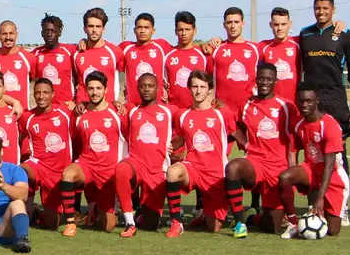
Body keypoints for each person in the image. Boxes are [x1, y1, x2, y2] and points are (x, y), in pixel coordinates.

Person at [298, 0, 350, 225]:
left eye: (325, 8)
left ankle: (341, 206)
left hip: (335, 100)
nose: (321, 12)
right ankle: (314, 203)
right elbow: (299, 70)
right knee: (312, 153)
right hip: (312, 102)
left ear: (333, 9)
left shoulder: (344, 34)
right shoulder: (305, 35)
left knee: (337, 154)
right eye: (317, 8)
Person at [225, 63, 298, 238]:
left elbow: (295, 139)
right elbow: (233, 127)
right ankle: (240, 223)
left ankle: (254, 219)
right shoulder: (247, 105)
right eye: (261, 78)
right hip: (255, 162)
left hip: (278, 167)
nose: (264, 82)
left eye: (268, 79)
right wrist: (246, 144)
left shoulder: (286, 107)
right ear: (256, 80)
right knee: (233, 168)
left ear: (275, 81)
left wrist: (292, 168)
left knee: (272, 226)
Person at [163, 71, 237, 237]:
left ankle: (205, 215)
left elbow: (235, 133)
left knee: (214, 227)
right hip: (193, 167)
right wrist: (169, 147)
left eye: (202, 87)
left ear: (210, 90)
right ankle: (176, 223)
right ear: (189, 88)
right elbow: (179, 141)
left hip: (216, 172)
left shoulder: (222, 112)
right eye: (195, 86)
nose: (198, 91)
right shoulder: (182, 114)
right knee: (173, 172)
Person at [278, 83, 349, 239]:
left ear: (317, 101)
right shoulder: (298, 124)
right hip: (311, 170)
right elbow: (293, 150)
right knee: (285, 177)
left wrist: (320, 198)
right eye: (301, 101)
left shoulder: (329, 125)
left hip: (334, 179)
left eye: (309, 101)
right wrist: (293, 173)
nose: (304, 105)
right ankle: (293, 223)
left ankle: (316, 213)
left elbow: (330, 166)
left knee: (332, 231)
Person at [59, 72, 125, 236]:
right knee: (68, 174)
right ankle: (70, 223)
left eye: (98, 88)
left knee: (108, 226)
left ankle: (95, 210)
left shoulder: (117, 112)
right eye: (91, 89)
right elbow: (74, 139)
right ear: (86, 90)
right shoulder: (80, 114)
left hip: (109, 171)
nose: (95, 92)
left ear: (106, 89)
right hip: (87, 165)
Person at [114, 73, 173, 237]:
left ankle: (141, 216)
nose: (146, 89)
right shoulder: (131, 111)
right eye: (142, 86)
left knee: (150, 224)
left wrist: (176, 146)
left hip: (157, 170)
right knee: (121, 169)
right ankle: (129, 222)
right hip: (136, 164)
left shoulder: (169, 111)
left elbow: (188, 128)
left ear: (158, 89)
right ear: (137, 89)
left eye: (150, 85)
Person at [20, 78, 74, 229]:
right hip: (39, 165)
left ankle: (37, 212)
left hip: (60, 173)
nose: (41, 96)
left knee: (52, 224)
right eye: (37, 92)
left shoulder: (65, 112)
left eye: (45, 92)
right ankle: (21, 211)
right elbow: (16, 136)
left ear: (52, 94)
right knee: (21, 171)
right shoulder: (27, 117)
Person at [210, 7, 260, 111]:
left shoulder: (256, 48)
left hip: (249, 108)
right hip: (222, 109)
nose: (233, 26)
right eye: (229, 22)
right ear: (224, 25)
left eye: (236, 22)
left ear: (243, 23)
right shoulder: (215, 50)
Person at [72, 8, 123, 106]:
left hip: (107, 109)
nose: (94, 30)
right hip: (83, 109)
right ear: (85, 29)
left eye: (98, 26)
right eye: (91, 26)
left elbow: (131, 73)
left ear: (103, 29)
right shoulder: (76, 52)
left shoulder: (115, 51)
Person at [163, 11, 211, 113]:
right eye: (180, 30)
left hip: (197, 111)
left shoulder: (204, 54)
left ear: (195, 31)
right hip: (173, 111)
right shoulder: (167, 55)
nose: (184, 33)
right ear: (175, 31)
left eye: (187, 29)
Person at [118, 13, 169, 107]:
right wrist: (84, 41)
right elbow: (104, 53)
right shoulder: (125, 48)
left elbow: (182, 52)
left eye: (146, 27)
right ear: (134, 30)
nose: (142, 31)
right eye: (139, 27)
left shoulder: (162, 46)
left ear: (153, 31)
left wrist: (203, 46)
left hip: (157, 105)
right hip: (132, 105)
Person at [0, 21, 35, 111]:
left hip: (22, 113)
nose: (8, 37)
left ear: (16, 34)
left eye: (11, 33)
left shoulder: (29, 58)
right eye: (4, 34)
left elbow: (35, 80)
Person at [32, 14, 77, 108]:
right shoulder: (35, 54)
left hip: (66, 107)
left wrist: (76, 100)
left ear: (59, 32)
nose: (49, 34)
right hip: (44, 109)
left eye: (53, 31)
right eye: (46, 31)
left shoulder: (70, 51)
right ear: (41, 33)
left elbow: (81, 80)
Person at [257, 8, 301, 103]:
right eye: (276, 24)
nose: (280, 28)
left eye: (283, 24)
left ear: (290, 24)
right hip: (271, 104)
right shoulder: (263, 46)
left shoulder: (298, 43)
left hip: (294, 103)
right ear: (270, 25)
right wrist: (219, 40)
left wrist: (337, 24)